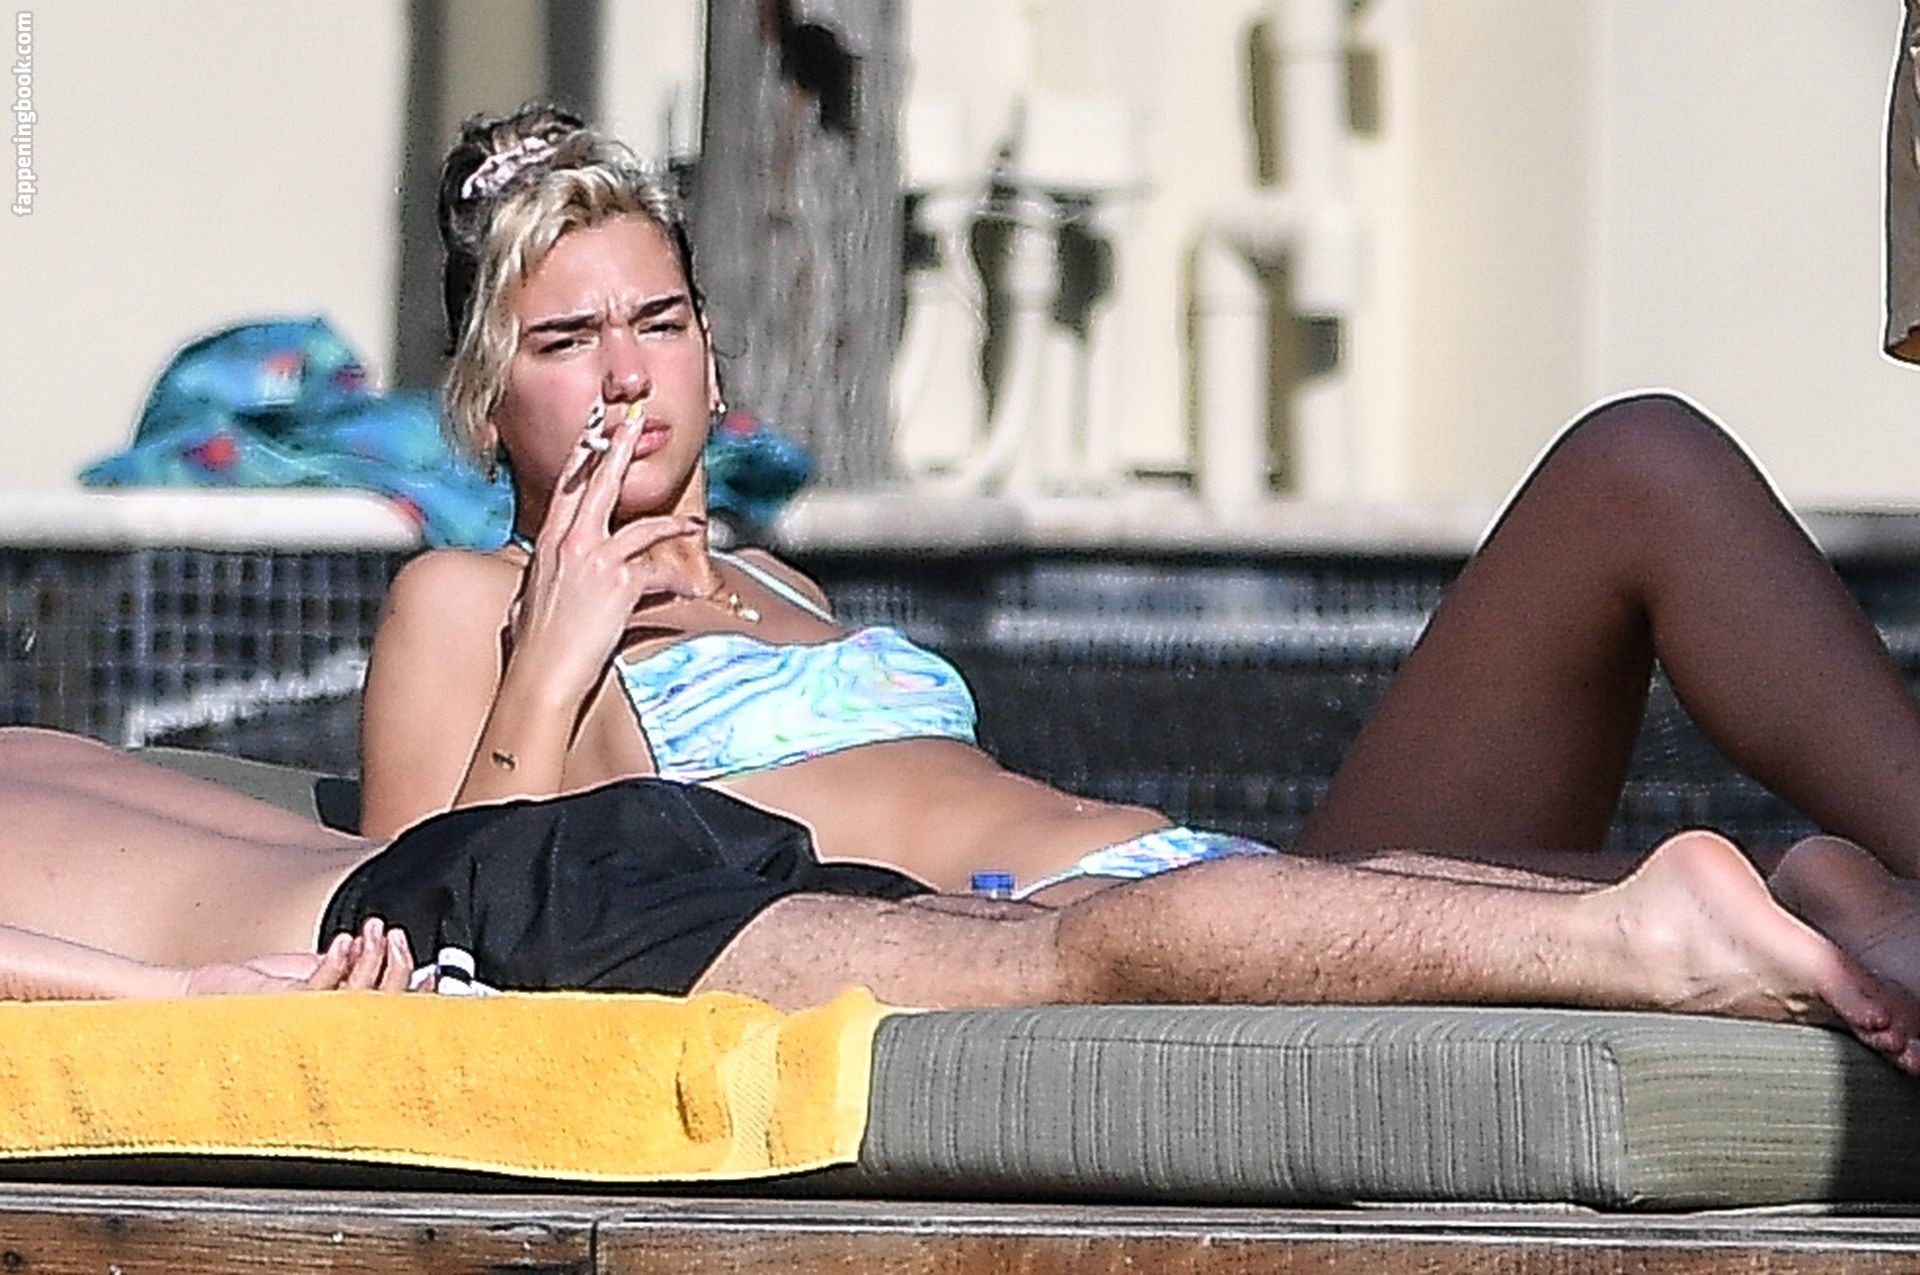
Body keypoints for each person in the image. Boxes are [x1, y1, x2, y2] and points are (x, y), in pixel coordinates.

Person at [361, 103, 1920, 911]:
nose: (626, 373)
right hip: (1072, 959)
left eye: (658, 320)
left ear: (713, 351)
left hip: (1210, 880)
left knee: (1641, 461)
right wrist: (556, 652)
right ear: (489, 399)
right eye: (564, 342)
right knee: (1744, 895)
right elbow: (424, 931)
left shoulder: (783, 587)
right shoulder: (470, 604)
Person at [7, 725, 1920, 1080]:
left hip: (482, 915)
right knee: (1044, 929)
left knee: (1072, 965)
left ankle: (1637, 935)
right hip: (556, 859)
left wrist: (186, 1007)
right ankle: (1798, 895)